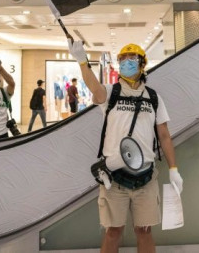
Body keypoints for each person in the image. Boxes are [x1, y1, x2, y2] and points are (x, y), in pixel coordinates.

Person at [68, 40, 183, 253]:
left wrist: (174, 169)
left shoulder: (154, 98)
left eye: (131, 58)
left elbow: (164, 136)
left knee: (145, 230)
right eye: (122, 59)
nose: (126, 62)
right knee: (113, 232)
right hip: (114, 177)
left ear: (141, 64)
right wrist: (82, 62)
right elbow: (94, 87)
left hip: (146, 177)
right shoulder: (111, 93)